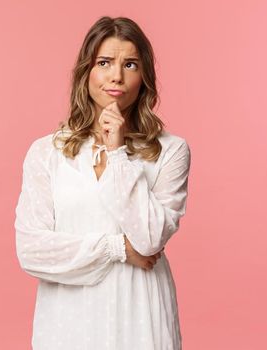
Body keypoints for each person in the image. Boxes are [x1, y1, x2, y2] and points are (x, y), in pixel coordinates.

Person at [14, 16, 191, 350]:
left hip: (140, 314)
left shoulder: (171, 151)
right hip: (69, 320)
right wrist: (117, 249)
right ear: (87, 72)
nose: (116, 76)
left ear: (144, 76)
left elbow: (149, 238)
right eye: (105, 62)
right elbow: (32, 251)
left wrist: (118, 151)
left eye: (130, 64)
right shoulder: (46, 153)